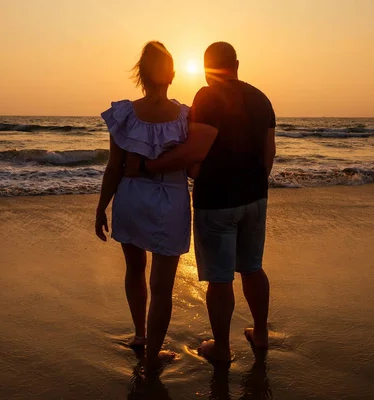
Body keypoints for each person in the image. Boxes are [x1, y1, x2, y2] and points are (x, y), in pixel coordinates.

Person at [127, 42, 276, 363]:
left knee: (220, 277)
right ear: (236, 63)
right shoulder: (261, 98)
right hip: (256, 198)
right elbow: (269, 153)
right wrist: (255, 185)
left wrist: (146, 167)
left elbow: (195, 153)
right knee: (252, 268)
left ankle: (221, 348)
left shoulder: (208, 97)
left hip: (218, 201)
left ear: (207, 68)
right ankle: (260, 334)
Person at [95, 41, 191, 370]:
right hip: (171, 200)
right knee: (162, 287)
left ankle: (140, 334)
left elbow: (114, 166)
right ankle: (152, 358)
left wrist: (101, 207)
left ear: (140, 74)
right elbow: (193, 166)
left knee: (135, 269)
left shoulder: (125, 114)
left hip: (131, 197)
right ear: (173, 74)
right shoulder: (185, 117)